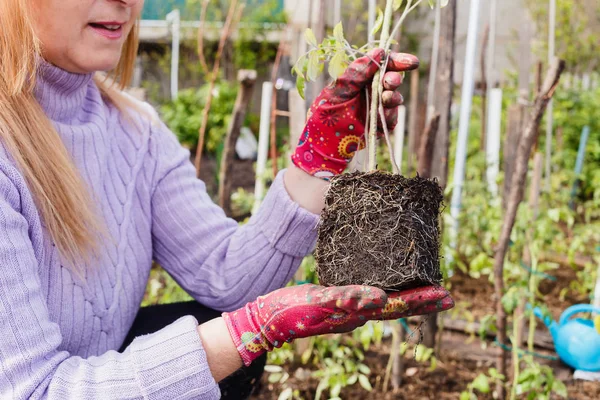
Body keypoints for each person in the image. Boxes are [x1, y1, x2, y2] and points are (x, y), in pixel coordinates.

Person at [0, 0, 453, 399]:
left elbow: (227, 279)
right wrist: (249, 330)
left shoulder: (135, 131)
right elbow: (33, 392)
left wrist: (320, 156)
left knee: (211, 330)